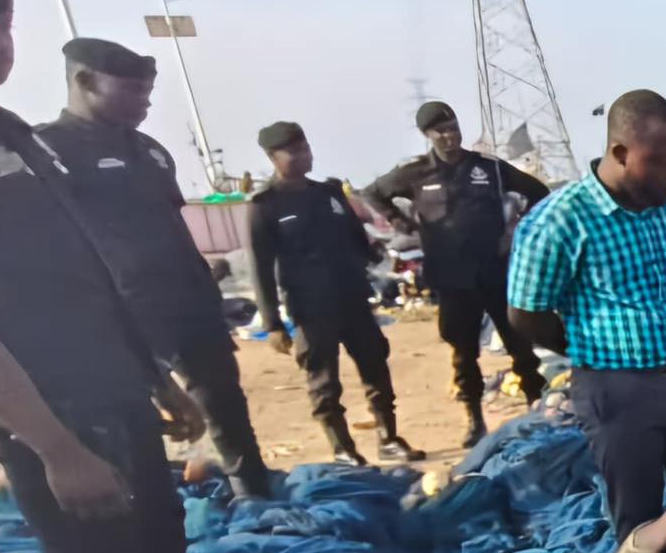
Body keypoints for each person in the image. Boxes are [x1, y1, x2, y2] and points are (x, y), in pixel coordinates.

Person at [0, 0, 271, 553]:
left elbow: (89, 274)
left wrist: (155, 378)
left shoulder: (11, 133)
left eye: (4, 22)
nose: (0, 42)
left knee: (156, 541)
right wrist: (53, 445)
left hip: (110, 380)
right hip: (51, 405)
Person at [38, 37, 272, 498]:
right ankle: (136, 509)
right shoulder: (49, 152)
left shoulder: (150, 151)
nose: (145, 102)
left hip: (188, 307)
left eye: (147, 91)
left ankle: (255, 496)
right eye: (131, 91)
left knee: (225, 402)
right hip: (121, 318)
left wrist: (210, 303)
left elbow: (175, 231)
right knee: (129, 421)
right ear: (84, 82)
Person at [507, 90, 666, 543]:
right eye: (661, 161)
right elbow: (525, 313)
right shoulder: (561, 220)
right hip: (617, 389)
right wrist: (593, 345)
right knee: (639, 518)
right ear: (621, 153)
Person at [361, 101, 549, 445]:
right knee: (464, 354)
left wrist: (521, 226)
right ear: (427, 136)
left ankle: (536, 408)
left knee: (520, 345)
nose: (449, 136)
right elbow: (371, 193)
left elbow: (538, 191)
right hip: (451, 278)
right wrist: (399, 220)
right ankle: (474, 420)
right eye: (440, 132)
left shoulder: (488, 168)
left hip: (495, 272)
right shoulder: (415, 173)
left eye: (453, 128)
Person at [248, 122, 423, 465]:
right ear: (272, 157)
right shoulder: (265, 205)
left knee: (376, 368)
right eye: (293, 151)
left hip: (353, 299)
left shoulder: (328, 192)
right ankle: (343, 449)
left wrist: (374, 255)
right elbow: (260, 268)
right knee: (324, 382)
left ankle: (388, 438)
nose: (304, 155)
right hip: (311, 308)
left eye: (306, 147)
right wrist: (272, 324)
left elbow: (357, 237)